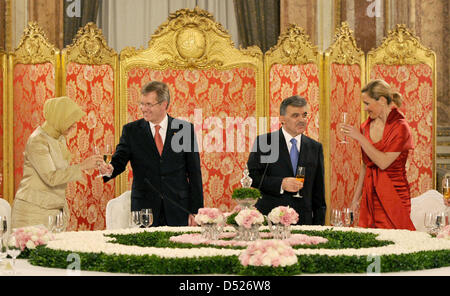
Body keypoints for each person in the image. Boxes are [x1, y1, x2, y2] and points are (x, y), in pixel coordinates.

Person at [101, 81, 203, 226]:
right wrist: (109, 168)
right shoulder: (131, 131)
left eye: (149, 104)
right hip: (145, 209)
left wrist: (196, 211)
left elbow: (194, 173)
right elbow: (119, 159)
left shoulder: (184, 130)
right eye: (141, 104)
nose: (143, 109)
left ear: (164, 104)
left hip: (178, 209)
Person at [11, 96, 103, 229]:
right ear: (58, 118)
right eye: (70, 120)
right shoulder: (38, 141)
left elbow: (61, 172)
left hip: (53, 211)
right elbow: (51, 177)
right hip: (32, 213)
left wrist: (90, 167)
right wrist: (82, 166)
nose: (74, 125)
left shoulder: (59, 139)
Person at [343, 79, 415, 230]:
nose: (365, 108)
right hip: (371, 195)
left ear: (382, 100)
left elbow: (383, 162)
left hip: (394, 194)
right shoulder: (365, 126)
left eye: (367, 103)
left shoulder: (401, 127)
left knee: (396, 244)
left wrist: (360, 139)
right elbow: (365, 166)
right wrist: (355, 200)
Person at [247, 95, 326, 225]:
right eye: (295, 116)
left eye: (304, 115)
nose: (302, 120)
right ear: (282, 119)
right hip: (271, 221)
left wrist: (319, 227)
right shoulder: (265, 142)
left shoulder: (315, 147)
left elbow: (319, 194)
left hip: (304, 222)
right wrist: (281, 184)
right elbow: (252, 178)